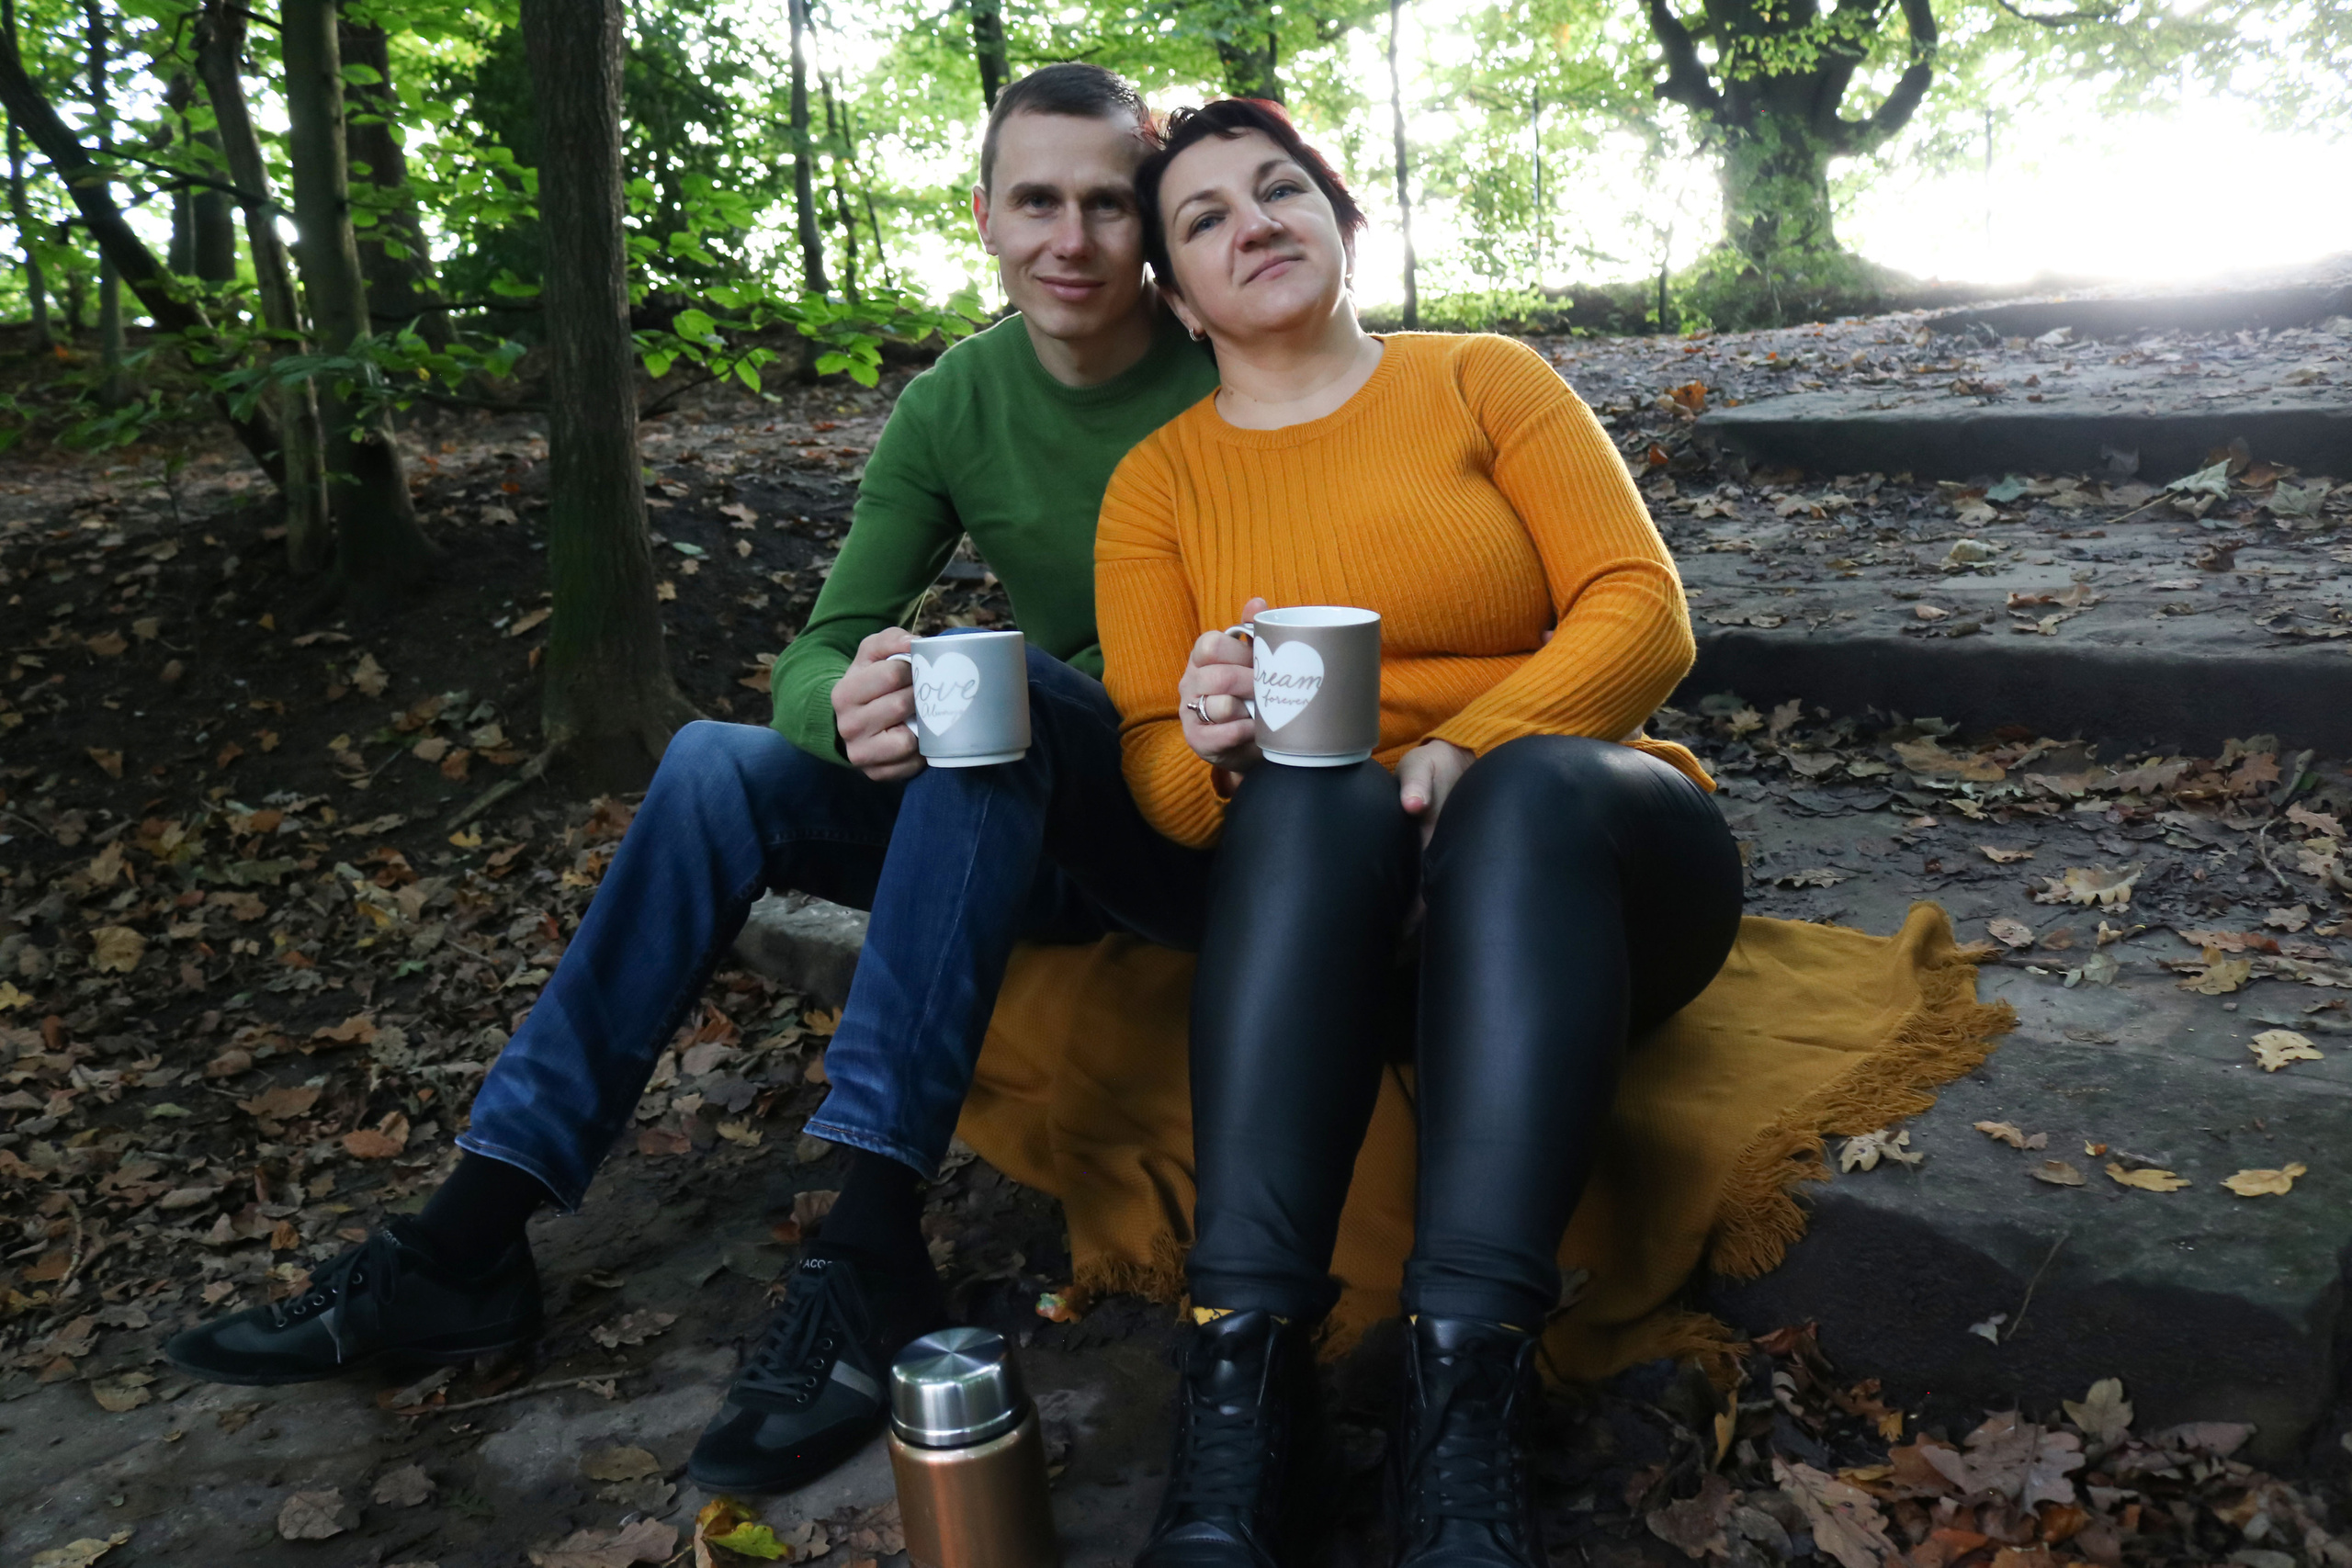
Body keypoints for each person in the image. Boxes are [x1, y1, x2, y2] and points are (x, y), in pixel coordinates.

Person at [164, 62, 1220, 1497]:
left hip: (1174, 826)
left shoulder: (1225, 360)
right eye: (1036, 200)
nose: (1071, 239)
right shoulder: (953, 404)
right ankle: (472, 1234)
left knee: (999, 695)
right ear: (984, 215)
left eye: (1107, 203)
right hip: (1007, 827)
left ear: (1148, 225)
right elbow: (822, 647)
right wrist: (844, 710)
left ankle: (867, 1246)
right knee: (719, 763)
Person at [1093, 100, 1745, 1568]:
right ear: (1178, 297)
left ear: (1338, 218)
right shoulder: (1161, 485)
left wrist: (1465, 747)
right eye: (1203, 219)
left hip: (1592, 868)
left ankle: (1468, 1403)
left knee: (1520, 792)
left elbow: (1645, 615)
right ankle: (1243, 1405)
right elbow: (1155, 768)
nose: (1251, 222)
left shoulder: (1480, 381)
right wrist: (1206, 748)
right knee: (1312, 788)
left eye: (1279, 189)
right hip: (1357, 923)